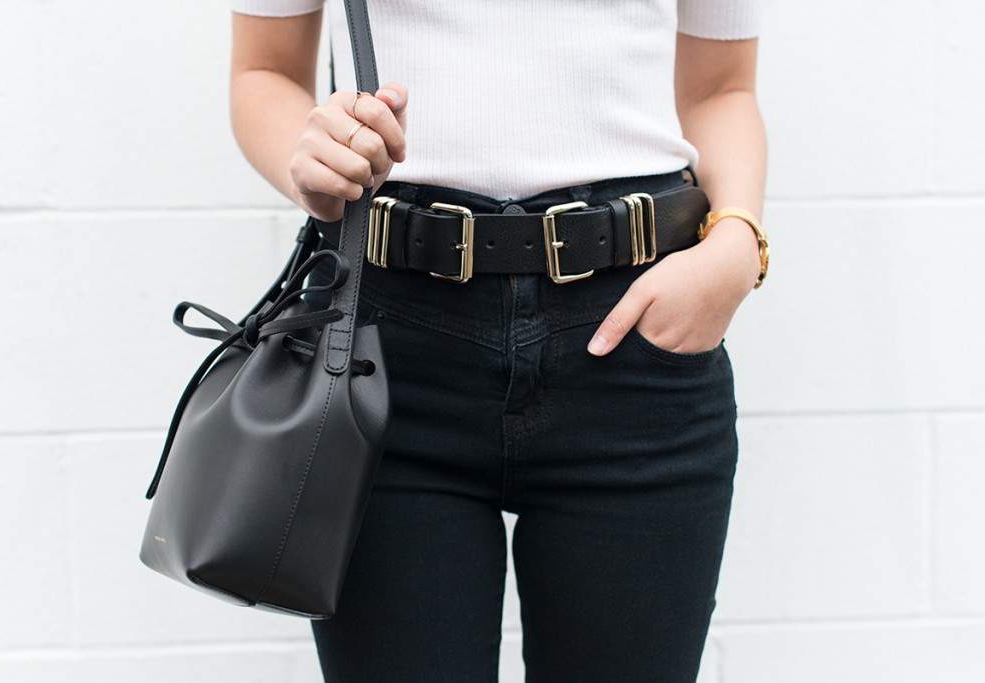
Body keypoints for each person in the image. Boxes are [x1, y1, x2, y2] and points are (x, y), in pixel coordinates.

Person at [228, 1, 767, 680]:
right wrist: (311, 160)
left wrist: (738, 241)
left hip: (634, 338)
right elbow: (264, 72)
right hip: (387, 347)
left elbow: (721, 88)